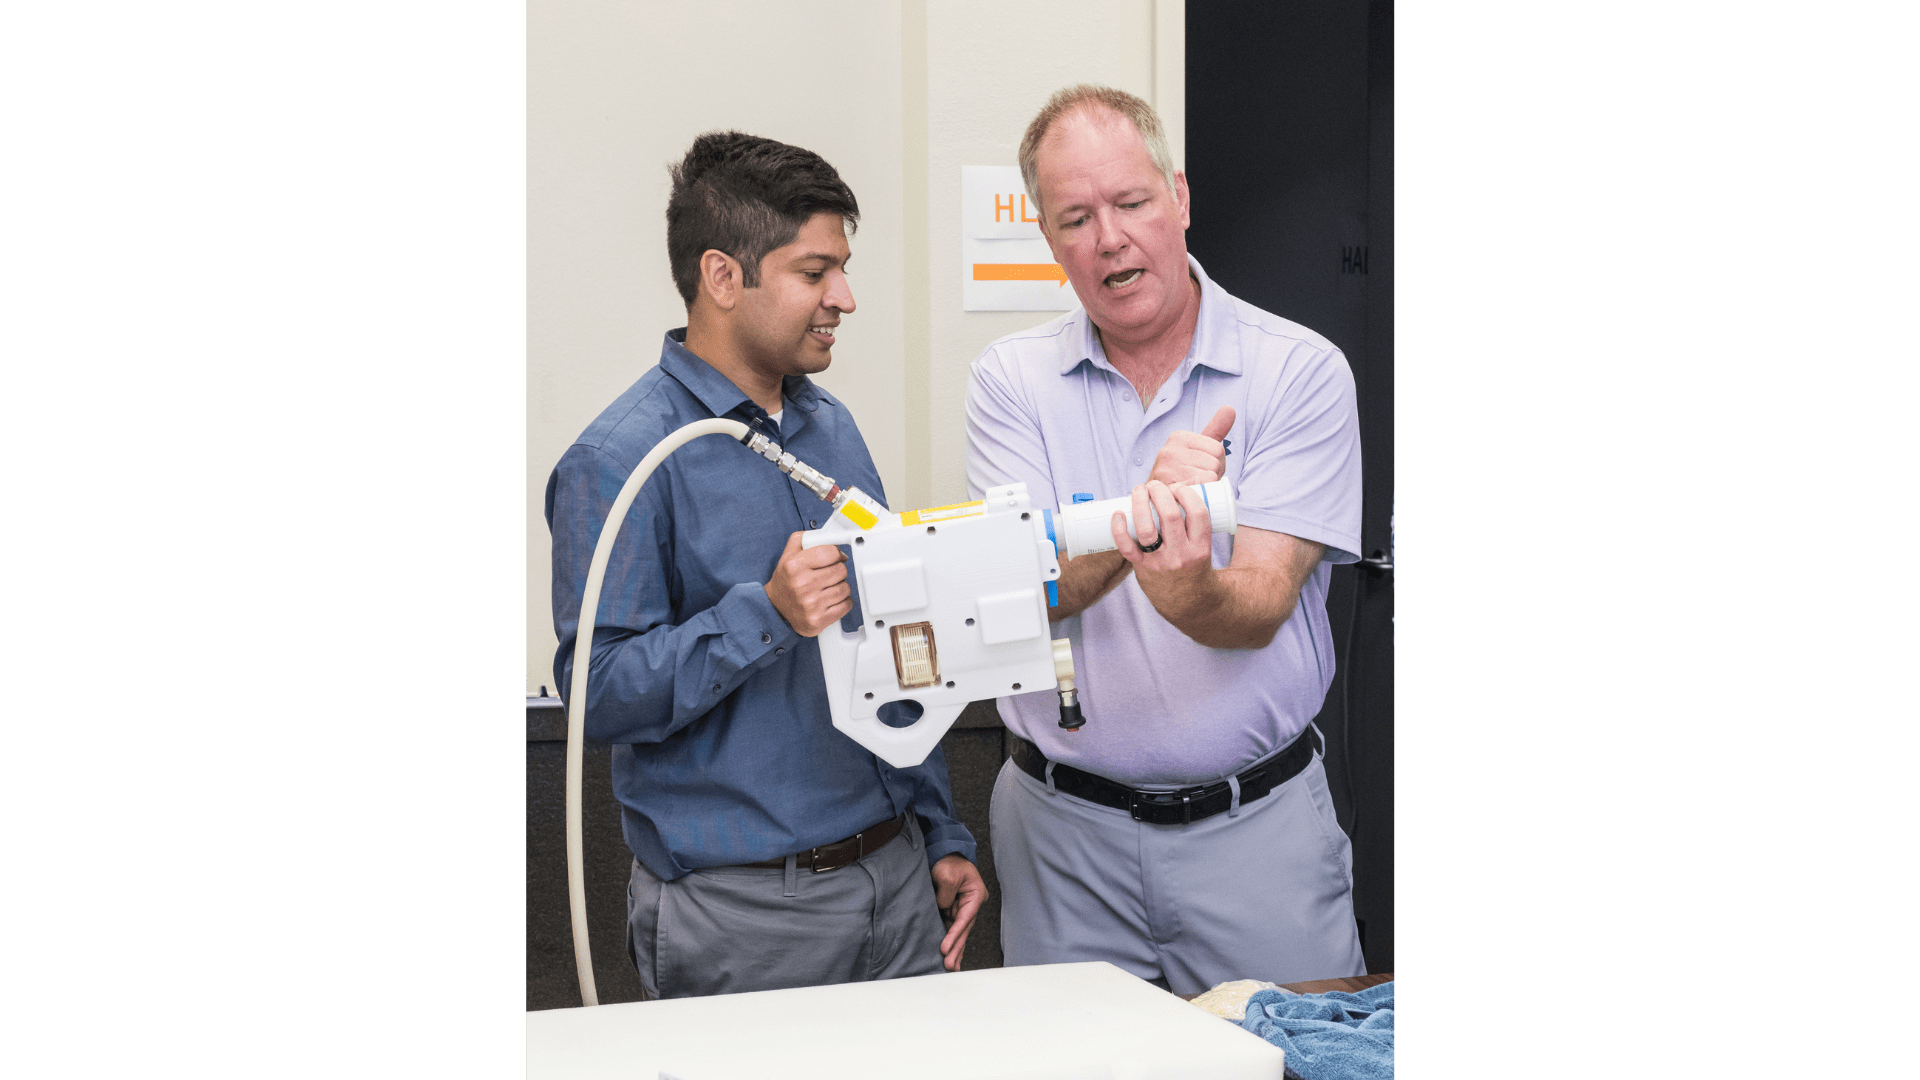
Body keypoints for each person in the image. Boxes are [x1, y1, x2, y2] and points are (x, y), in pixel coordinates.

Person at [548, 131, 986, 999]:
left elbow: (896, 640)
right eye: (815, 272)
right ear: (722, 276)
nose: (845, 298)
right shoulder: (620, 459)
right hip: (741, 920)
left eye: (843, 270)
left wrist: (940, 833)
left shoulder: (834, 430)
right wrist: (767, 617)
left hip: (895, 889)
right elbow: (595, 693)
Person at [964, 86, 1367, 994]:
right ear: (1049, 239)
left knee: (1292, 1058)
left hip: (1256, 832)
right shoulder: (1010, 382)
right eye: (1075, 217)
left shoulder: (1298, 371)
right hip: (1062, 842)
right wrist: (1143, 513)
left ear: (1179, 198)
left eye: (1132, 202)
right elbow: (1022, 592)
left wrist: (1177, 578)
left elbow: (1257, 606)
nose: (1108, 237)